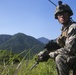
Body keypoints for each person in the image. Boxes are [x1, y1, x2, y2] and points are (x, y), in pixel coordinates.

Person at [38, 1, 76, 75]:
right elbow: (63, 46)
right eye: (59, 14)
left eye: (64, 13)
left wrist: (49, 54)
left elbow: (69, 49)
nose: (62, 16)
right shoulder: (64, 30)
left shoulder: (73, 27)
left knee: (59, 58)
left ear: (68, 14)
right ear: (57, 18)